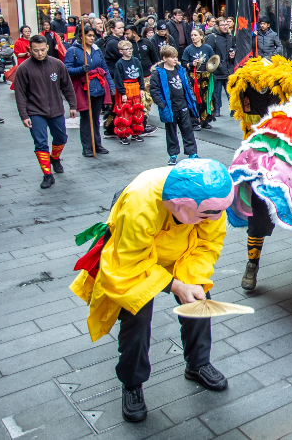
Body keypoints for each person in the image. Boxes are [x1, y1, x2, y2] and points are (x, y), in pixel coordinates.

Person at [69, 159, 235, 423]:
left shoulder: (212, 203)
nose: (216, 219)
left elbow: (208, 244)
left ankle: (198, 364)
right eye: (208, 215)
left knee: (199, 298)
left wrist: (190, 282)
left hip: (181, 249)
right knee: (136, 311)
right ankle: (132, 383)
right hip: (134, 254)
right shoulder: (140, 203)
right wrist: (173, 285)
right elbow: (131, 262)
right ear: (182, 206)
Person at [13, 35, 77, 189]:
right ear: (30, 49)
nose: (39, 53)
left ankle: (54, 158)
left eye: (42, 50)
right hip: (35, 112)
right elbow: (20, 93)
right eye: (35, 50)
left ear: (47, 48)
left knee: (61, 138)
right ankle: (47, 174)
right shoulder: (24, 68)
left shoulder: (57, 64)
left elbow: (67, 86)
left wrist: (72, 105)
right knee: (41, 143)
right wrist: (24, 115)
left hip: (56, 109)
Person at [65, 27, 114, 158]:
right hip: (83, 88)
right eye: (89, 35)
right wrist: (81, 69)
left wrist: (110, 84)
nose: (92, 38)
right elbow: (67, 69)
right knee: (86, 118)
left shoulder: (96, 50)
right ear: (81, 36)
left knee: (96, 118)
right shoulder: (73, 51)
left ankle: (97, 144)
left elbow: (104, 68)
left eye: (93, 36)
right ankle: (86, 147)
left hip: (98, 87)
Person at [149, 45, 199, 165]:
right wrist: (162, 105)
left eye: (176, 57)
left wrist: (191, 99)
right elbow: (154, 91)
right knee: (171, 131)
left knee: (187, 129)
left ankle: (192, 152)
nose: (175, 59)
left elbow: (187, 85)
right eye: (172, 57)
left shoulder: (180, 69)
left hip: (183, 104)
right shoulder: (158, 73)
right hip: (169, 107)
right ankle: (173, 155)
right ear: (165, 58)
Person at [112, 40, 147, 147]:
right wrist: (122, 93)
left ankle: (136, 132)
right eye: (127, 49)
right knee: (125, 111)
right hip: (125, 88)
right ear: (121, 51)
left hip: (136, 86)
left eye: (130, 49)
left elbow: (140, 74)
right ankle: (123, 134)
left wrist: (142, 88)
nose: (129, 51)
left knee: (137, 110)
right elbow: (118, 79)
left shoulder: (136, 60)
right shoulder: (119, 63)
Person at [183, 28, 217, 129]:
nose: (193, 37)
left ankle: (205, 120)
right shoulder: (188, 49)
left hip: (206, 76)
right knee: (195, 98)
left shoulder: (207, 48)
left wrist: (212, 66)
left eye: (195, 35)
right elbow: (184, 63)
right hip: (194, 77)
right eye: (192, 35)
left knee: (206, 98)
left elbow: (213, 60)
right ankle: (194, 121)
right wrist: (191, 64)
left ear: (201, 36)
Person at [204, 20, 235, 117]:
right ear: (217, 26)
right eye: (222, 25)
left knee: (230, 90)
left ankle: (233, 109)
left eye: (226, 24)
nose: (225, 27)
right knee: (217, 92)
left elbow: (234, 47)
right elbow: (209, 52)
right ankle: (216, 109)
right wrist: (217, 63)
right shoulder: (213, 37)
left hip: (228, 67)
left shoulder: (230, 36)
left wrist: (233, 52)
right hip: (217, 69)